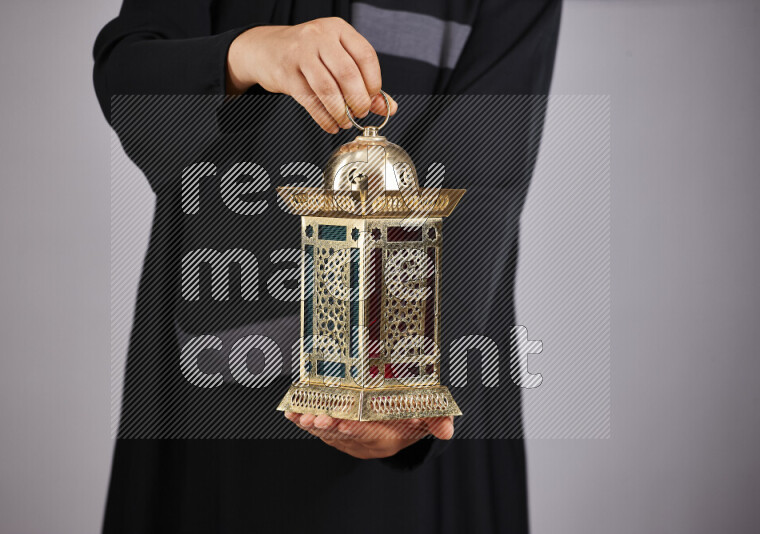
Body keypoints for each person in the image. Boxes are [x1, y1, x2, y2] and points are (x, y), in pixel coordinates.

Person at [94, 1, 560, 532]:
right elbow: (126, 79)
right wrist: (245, 53)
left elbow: (486, 171)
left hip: (434, 334)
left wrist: (408, 383)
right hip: (214, 360)